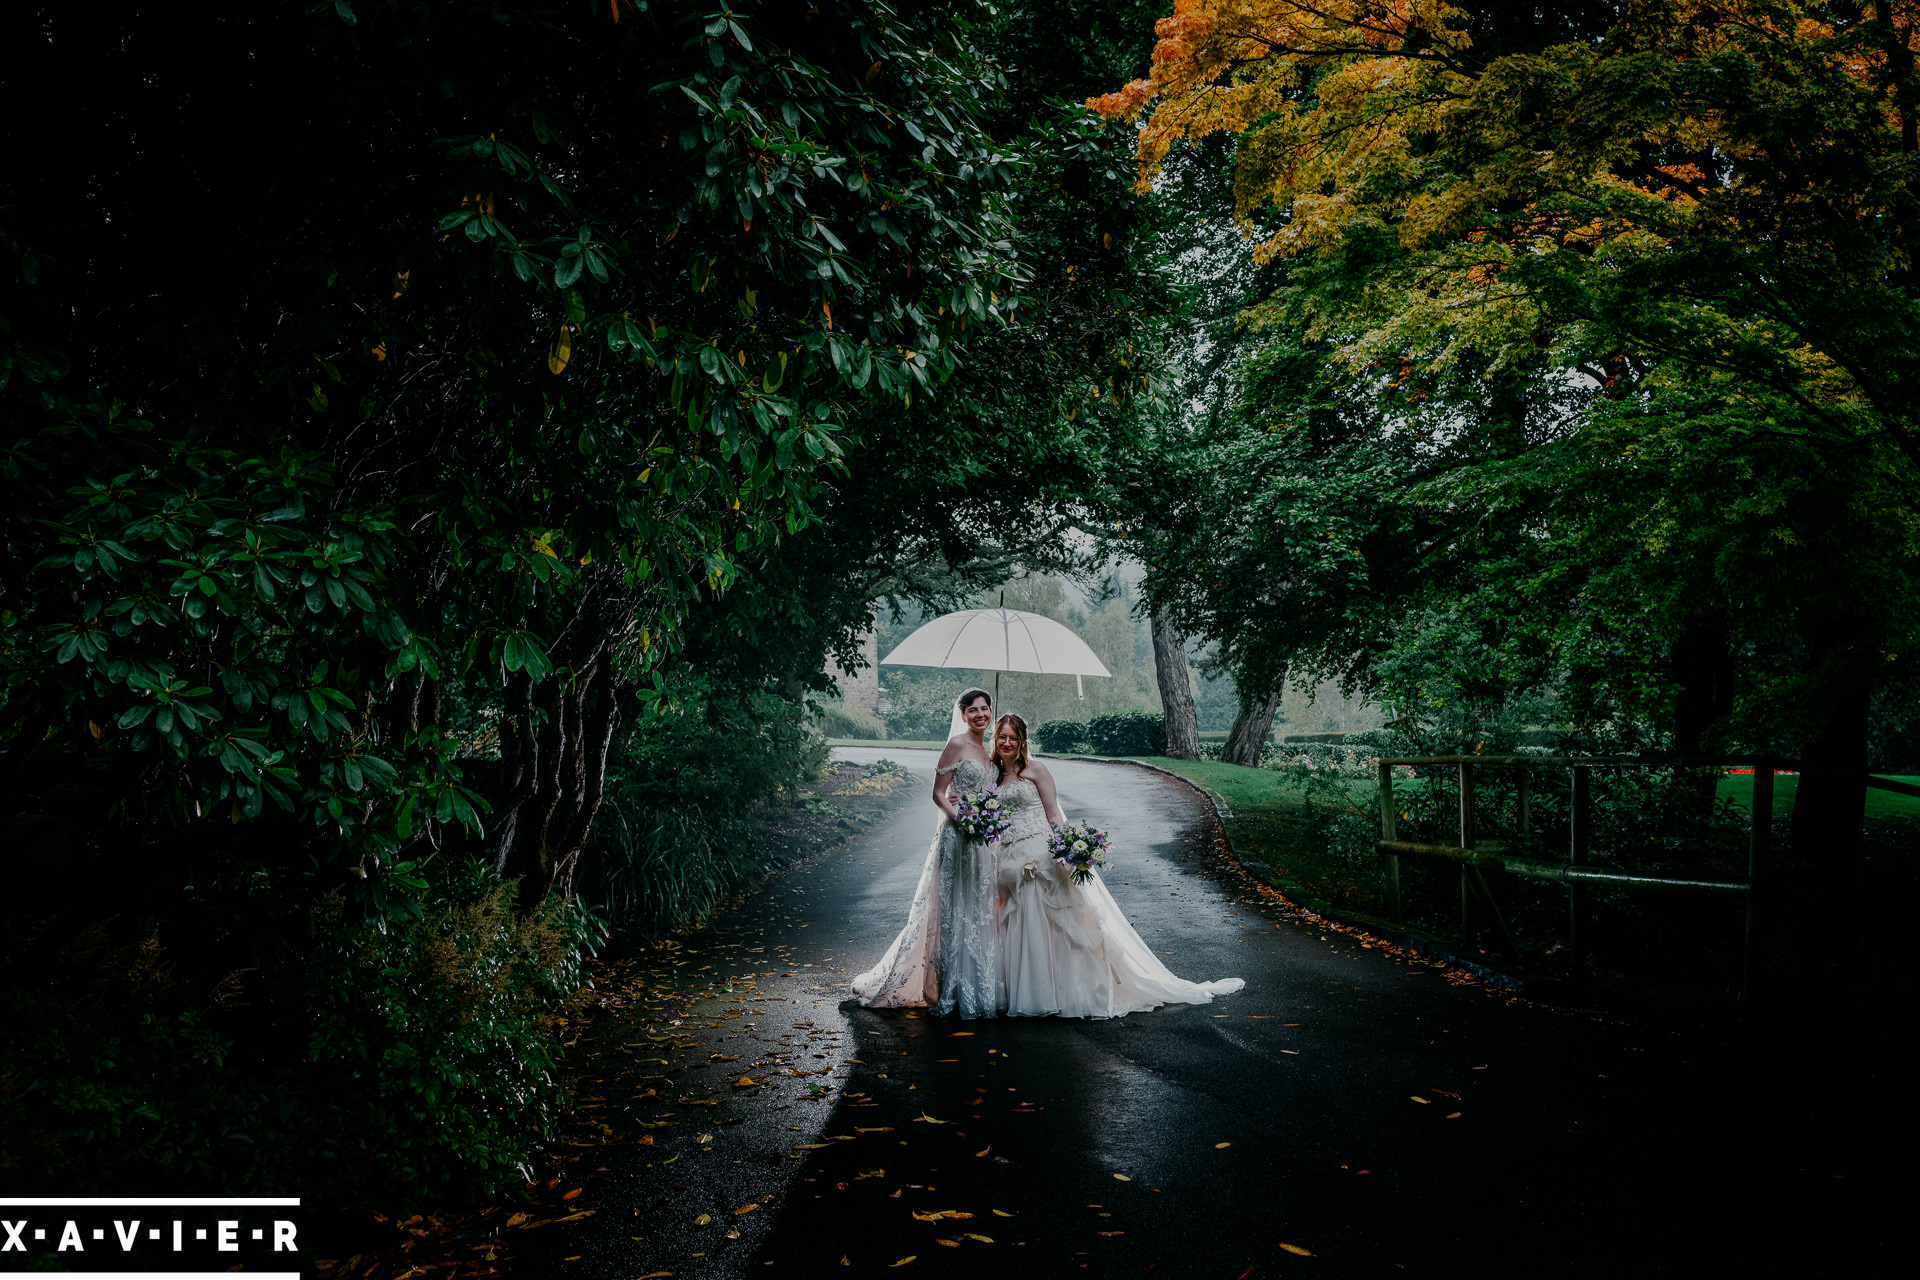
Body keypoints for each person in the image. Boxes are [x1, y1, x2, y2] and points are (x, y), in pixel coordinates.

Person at [990, 712, 1245, 1018]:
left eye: (1013, 738)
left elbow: (1053, 812)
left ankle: (1059, 991)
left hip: (1039, 853)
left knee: (1051, 921)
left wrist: (1064, 847)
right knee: (1018, 921)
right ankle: (1025, 988)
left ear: (1022, 741)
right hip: (1008, 854)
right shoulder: (995, 775)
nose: (1007, 743)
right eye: (1002, 737)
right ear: (996, 739)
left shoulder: (1036, 770)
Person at [850, 688, 999, 1015]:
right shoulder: (956, 745)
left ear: (991, 711)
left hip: (984, 840)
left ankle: (979, 980)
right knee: (953, 909)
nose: (980, 715)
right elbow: (938, 793)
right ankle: (949, 988)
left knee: (979, 908)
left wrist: (989, 816)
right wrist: (960, 818)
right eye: (973, 710)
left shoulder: (991, 750)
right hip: (958, 835)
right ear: (963, 715)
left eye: (985, 709)